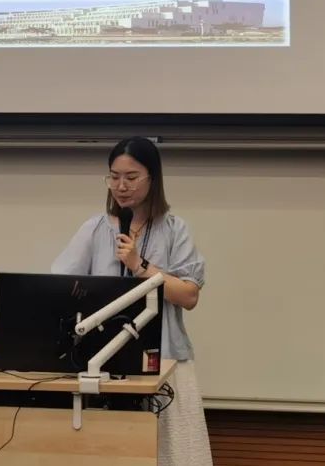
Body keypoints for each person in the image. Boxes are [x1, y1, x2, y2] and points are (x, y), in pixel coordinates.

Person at [51, 136, 212, 466]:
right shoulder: (95, 229)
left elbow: (188, 295)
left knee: (172, 455)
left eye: (131, 177)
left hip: (164, 362)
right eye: (114, 177)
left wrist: (141, 267)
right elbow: (58, 288)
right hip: (102, 363)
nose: (121, 186)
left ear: (153, 178)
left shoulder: (174, 229)